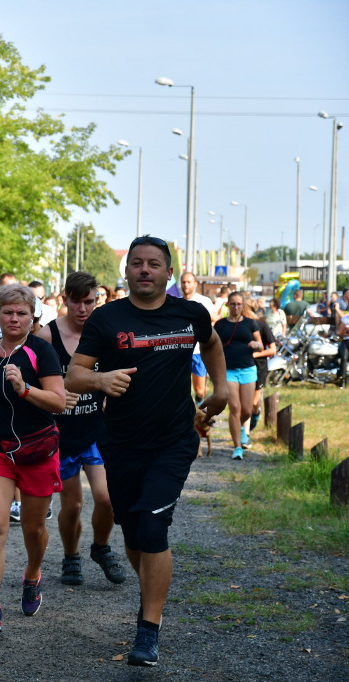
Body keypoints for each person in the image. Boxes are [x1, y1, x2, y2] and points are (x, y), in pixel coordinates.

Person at [66, 235, 228, 667]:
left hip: (174, 441)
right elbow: (73, 376)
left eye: (153, 264)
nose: (144, 270)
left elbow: (211, 344)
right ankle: (150, 595)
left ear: (168, 273)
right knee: (134, 532)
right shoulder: (107, 319)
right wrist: (100, 381)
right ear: (127, 271)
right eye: (137, 263)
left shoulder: (191, 313)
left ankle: (148, 629)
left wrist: (223, 387)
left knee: (154, 530)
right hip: (120, 443)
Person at [0, 284, 65, 631]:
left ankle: (33, 573)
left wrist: (25, 389)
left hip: (37, 450)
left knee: (34, 529)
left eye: (22, 313)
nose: (14, 318)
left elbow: (58, 401)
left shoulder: (41, 352)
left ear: (32, 316)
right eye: (8, 312)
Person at [36, 272, 126, 587]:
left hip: (98, 430)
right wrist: (56, 395)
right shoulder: (48, 336)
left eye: (90, 301)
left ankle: (100, 547)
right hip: (62, 433)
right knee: (72, 505)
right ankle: (71, 556)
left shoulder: (103, 332)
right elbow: (33, 383)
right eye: (77, 302)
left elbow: (120, 372)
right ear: (65, 299)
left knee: (107, 498)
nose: (83, 309)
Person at [214, 291, 263, 460]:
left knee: (247, 410)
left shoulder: (250, 324)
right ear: (227, 305)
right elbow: (212, 347)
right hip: (228, 371)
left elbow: (261, 346)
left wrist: (256, 344)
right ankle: (237, 447)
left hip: (248, 370)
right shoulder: (220, 325)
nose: (236, 307)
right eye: (233, 304)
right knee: (234, 408)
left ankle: (243, 427)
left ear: (243, 306)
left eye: (239, 304)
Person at [180, 272, 221, 403]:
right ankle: (188, 417)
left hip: (198, 351)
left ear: (195, 284)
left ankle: (201, 416)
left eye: (188, 282)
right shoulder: (177, 302)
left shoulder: (203, 301)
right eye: (183, 282)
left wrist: (196, 316)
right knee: (181, 388)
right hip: (181, 350)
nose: (186, 285)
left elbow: (215, 318)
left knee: (199, 390)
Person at [245, 302, 276, 432]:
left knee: (253, 402)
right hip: (244, 367)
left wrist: (257, 354)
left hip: (260, 367)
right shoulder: (240, 327)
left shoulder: (263, 327)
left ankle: (256, 414)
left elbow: (273, 350)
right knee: (244, 402)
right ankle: (244, 431)